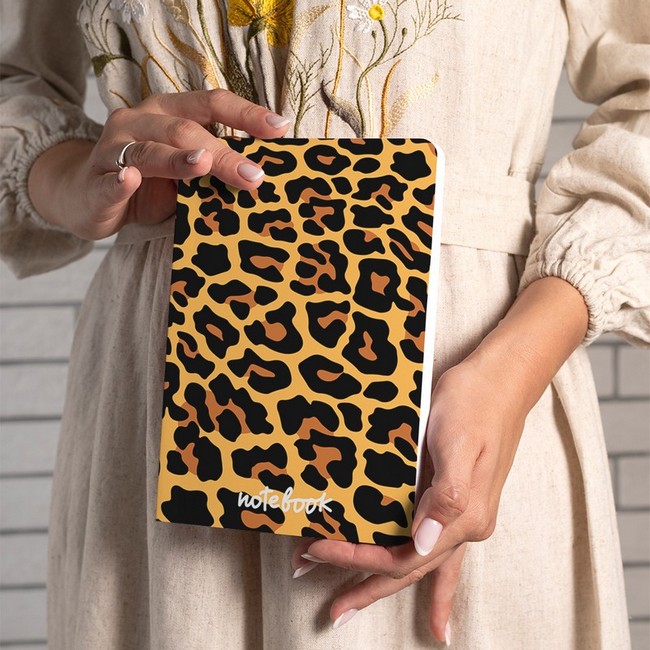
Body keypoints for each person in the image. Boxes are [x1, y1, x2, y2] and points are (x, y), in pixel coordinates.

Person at [1, 0, 648, 648]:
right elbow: (16, 83)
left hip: (466, 389)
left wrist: (512, 375)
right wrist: (73, 180)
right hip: (170, 390)